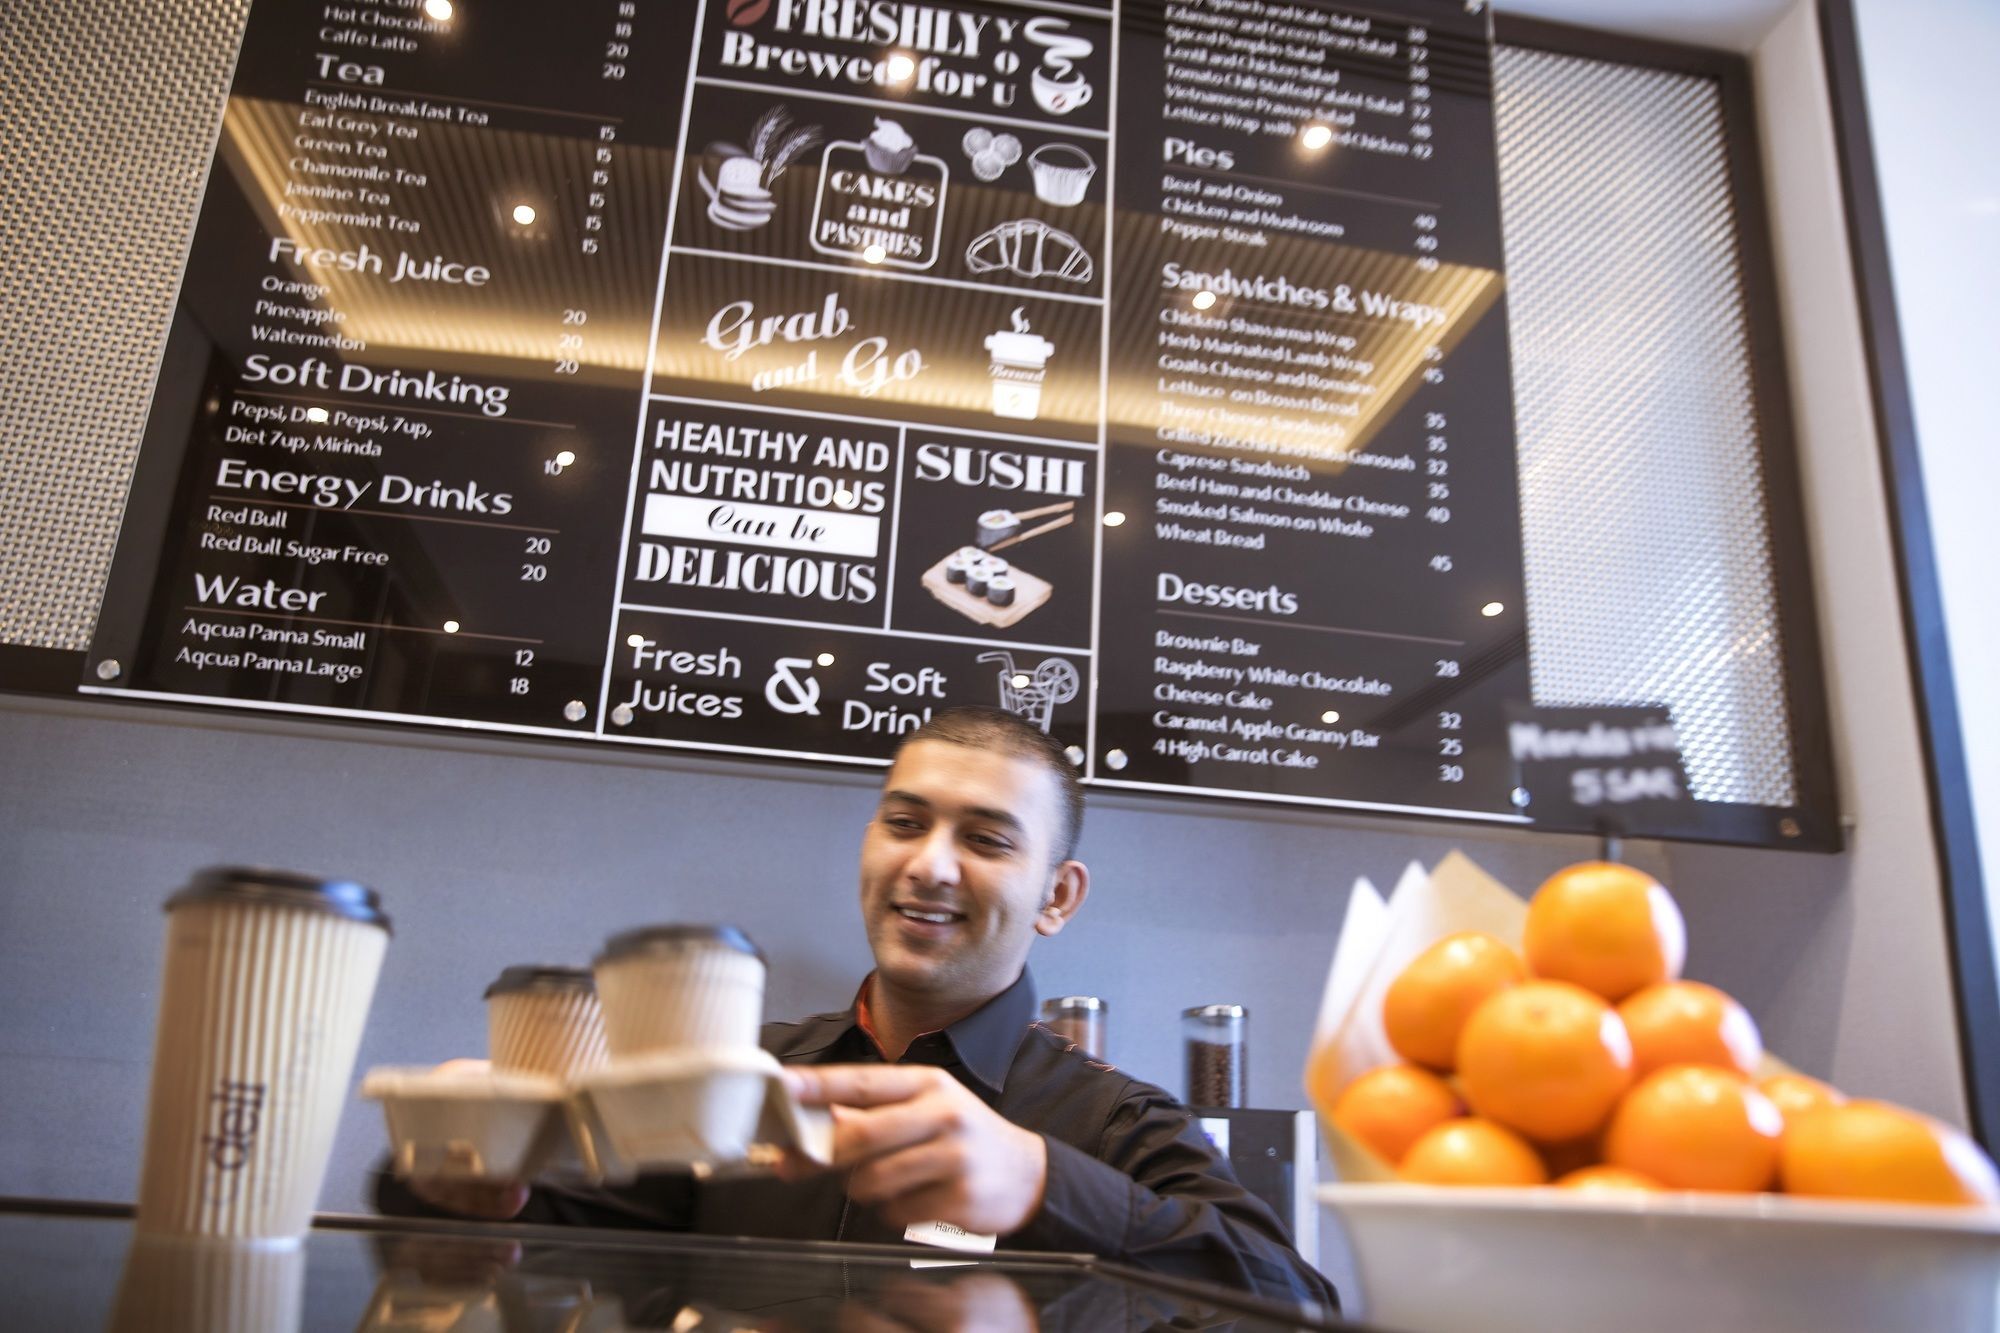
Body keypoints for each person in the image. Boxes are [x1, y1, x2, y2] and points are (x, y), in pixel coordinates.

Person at [378, 706, 1338, 1311]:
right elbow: (534, 1210)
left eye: (988, 839)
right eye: (906, 822)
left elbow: (1298, 1301)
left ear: (1058, 897)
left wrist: (1045, 1180)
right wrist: (454, 1170)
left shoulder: (1118, 1123)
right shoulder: (735, 1074)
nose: (928, 863)